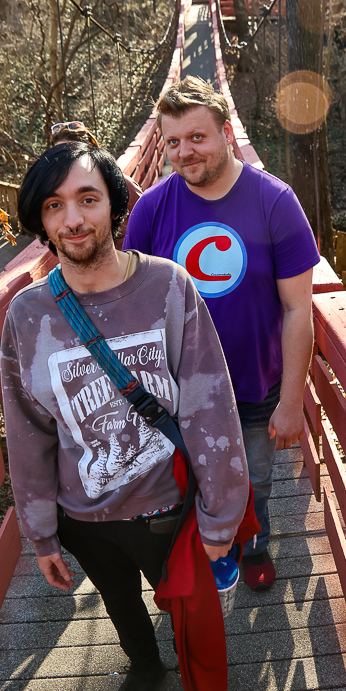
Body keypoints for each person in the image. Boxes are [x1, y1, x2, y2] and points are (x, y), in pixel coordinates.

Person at [0, 142, 250, 691]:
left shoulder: (168, 286)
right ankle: (144, 668)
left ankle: (192, 668)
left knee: (187, 602)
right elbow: (26, 430)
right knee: (118, 602)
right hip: (82, 517)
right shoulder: (28, 315)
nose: (74, 218)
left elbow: (210, 406)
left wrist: (221, 520)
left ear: (114, 204)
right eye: (55, 205)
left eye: (88, 198)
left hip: (165, 505)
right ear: (41, 219)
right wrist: (39, 534)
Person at [123, 75, 320, 590]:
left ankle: (253, 539)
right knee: (191, 478)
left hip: (256, 385)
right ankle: (208, 547)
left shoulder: (275, 202)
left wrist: (294, 399)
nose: (184, 152)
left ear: (227, 133)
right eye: (172, 142)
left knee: (255, 476)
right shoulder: (151, 209)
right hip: (179, 387)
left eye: (197, 137)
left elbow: (300, 308)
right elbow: (128, 299)